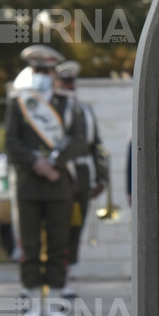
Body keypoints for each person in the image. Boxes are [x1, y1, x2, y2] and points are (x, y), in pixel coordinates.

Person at [5, 45, 83, 316]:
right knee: (30, 245)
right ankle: (34, 304)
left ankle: (55, 303)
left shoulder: (68, 103)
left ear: (54, 74)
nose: (41, 75)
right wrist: (36, 163)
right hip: (29, 184)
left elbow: (78, 140)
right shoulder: (19, 102)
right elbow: (11, 141)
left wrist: (55, 164)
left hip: (58, 184)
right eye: (36, 70)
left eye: (46, 71)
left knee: (58, 244)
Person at [53, 60, 109, 298]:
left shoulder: (84, 110)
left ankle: (67, 277)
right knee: (58, 228)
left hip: (82, 177)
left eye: (72, 82)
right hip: (60, 174)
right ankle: (52, 278)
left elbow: (96, 145)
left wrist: (102, 178)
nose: (69, 85)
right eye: (65, 81)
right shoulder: (52, 110)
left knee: (75, 228)